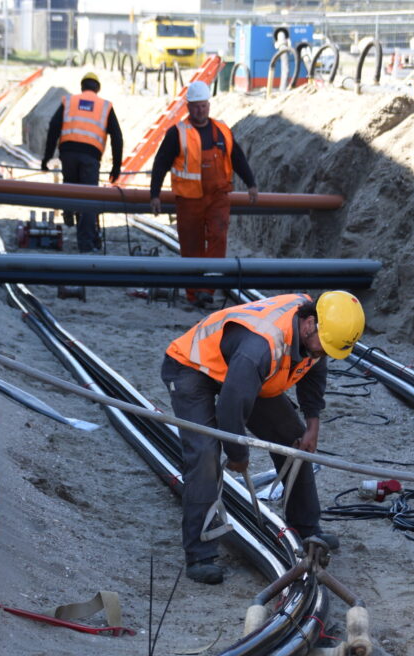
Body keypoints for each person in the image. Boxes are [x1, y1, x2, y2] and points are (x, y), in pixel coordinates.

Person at [160, 291, 366, 584]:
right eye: (325, 346)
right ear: (309, 324)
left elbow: (314, 371)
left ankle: (306, 527)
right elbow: (231, 409)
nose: (324, 354)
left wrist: (312, 424)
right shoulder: (261, 347)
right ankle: (200, 554)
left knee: (294, 441)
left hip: (245, 372)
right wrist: (238, 455)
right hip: (192, 366)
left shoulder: (318, 334)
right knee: (205, 455)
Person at [149, 80, 259, 309]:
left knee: (218, 238)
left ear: (209, 105)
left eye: (204, 106)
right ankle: (193, 293)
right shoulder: (177, 133)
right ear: (188, 107)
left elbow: (236, 157)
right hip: (189, 200)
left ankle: (207, 289)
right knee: (191, 246)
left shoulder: (222, 131)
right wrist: (155, 194)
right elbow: (160, 163)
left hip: (218, 197)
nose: (200, 110)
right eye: (196, 106)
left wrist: (251, 183)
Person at [41, 72, 123, 254]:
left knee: (71, 187)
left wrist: (46, 158)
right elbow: (117, 137)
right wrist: (117, 166)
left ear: (82, 86)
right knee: (89, 199)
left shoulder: (69, 102)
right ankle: (85, 245)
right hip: (91, 156)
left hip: (68, 153)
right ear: (97, 88)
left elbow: (53, 129)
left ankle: (69, 209)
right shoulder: (105, 106)